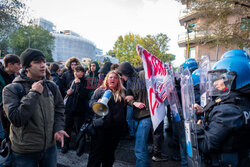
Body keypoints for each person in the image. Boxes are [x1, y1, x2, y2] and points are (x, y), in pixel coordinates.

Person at [2, 48, 69, 167]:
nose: (43, 65)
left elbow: (59, 109)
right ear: (27, 66)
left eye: (43, 61)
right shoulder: (11, 89)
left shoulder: (51, 86)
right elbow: (16, 119)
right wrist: (33, 93)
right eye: (37, 62)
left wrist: (58, 127)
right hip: (25, 152)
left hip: (49, 148)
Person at [196, 49, 250, 167]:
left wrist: (198, 127)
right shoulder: (241, 101)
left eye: (219, 78)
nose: (215, 83)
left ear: (234, 78)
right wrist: (203, 110)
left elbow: (206, 145)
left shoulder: (228, 111)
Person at [87, 70, 126, 167]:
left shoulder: (122, 92)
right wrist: (97, 102)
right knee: (95, 155)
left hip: (114, 130)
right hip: (100, 127)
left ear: (118, 80)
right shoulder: (100, 91)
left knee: (109, 156)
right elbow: (90, 103)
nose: (113, 79)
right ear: (107, 79)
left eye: (115, 77)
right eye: (110, 77)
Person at [118, 62, 152, 167]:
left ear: (126, 72)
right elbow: (128, 99)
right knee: (141, 147)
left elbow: (152, 88)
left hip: (146, 116)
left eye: (122, 74)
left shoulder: (142, 74)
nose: (121, 77)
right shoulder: (129, 82)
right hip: (136, 116)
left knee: (139, 148)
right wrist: (134, 102)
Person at [62, 65, 89, 154]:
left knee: (79, 130)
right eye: (74, 71)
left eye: (78, 71)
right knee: (67, 128)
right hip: (69, 109)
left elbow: (83, 94)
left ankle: (79, 147)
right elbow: (66, 90)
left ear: (83, 73)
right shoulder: (71, 81)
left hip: (79, 110)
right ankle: (65, 145)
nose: (76, 73)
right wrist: (67, 92)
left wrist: (78, 84)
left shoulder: (85, 82)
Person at [0, 54, 21, 167]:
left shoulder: (15, 77)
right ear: (9, 65)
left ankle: (8, 160)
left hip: (9, 112)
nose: (20, 66)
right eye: (18, 64)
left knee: (8, 136)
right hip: (1, 112)